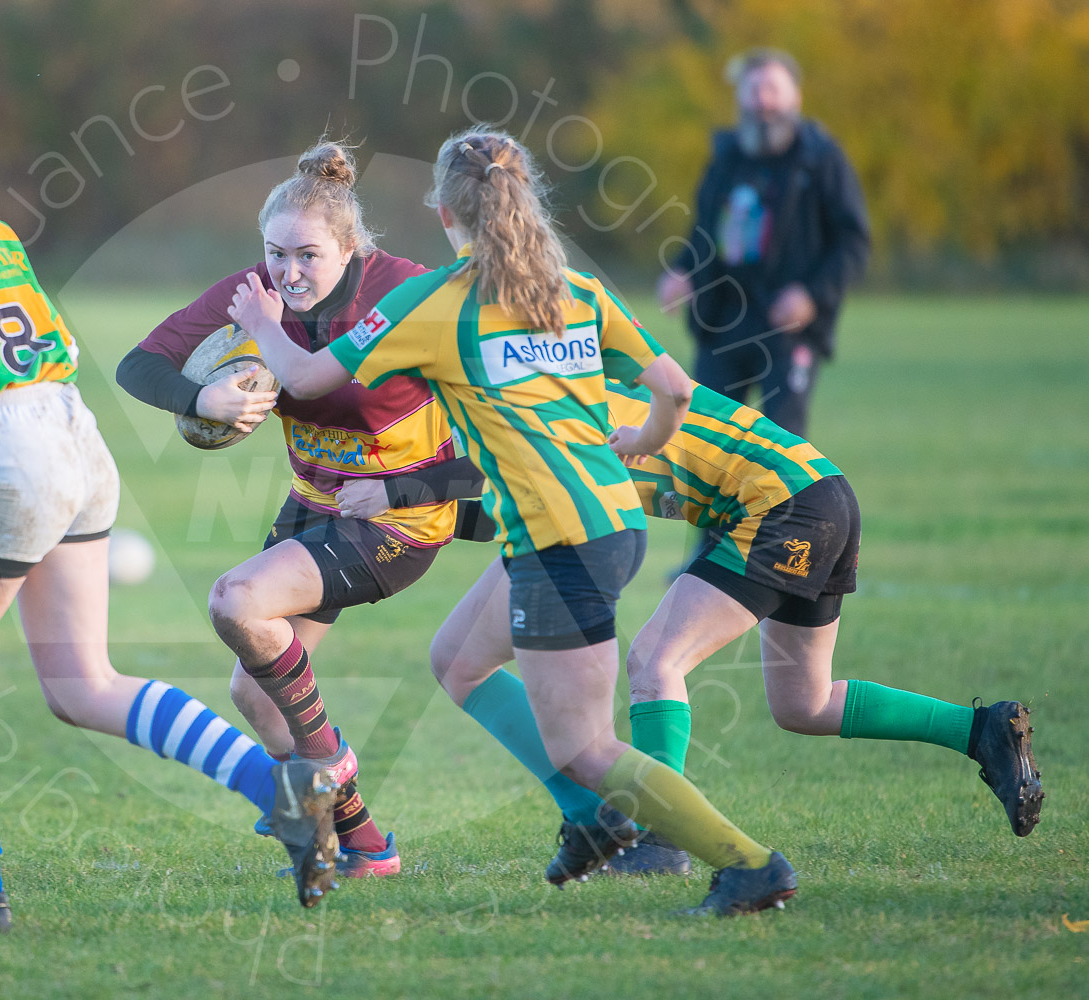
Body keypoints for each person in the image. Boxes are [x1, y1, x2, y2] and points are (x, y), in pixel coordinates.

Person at [0, 88, 339, 930]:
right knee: (83, 683)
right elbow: (24, 358)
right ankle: (283, 786)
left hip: (7, 451)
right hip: (72, 434)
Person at [232, 128, 799, 917]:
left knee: (586, 746)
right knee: (457, 660)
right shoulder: (574, 288)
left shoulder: (431, 301)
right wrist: (640, 441)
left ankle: (747, 864)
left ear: (440, 211)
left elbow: (301, 375)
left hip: (558, 540)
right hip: (612, 522)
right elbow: (673, 387)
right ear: (523, 198)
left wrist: (261, 324)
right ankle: (597, 824)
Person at [431, 379, 1046, 880]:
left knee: (655, 661)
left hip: (784, 505)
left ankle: (657, 836)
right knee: (803, 702)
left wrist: (396, 496)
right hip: (821, 493)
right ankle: (982, 729)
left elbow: (506, 496)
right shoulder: (546, 402)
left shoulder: (535, 416)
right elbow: (499, 507)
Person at [118, 140, 493, 883]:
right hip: (316, 504)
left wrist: (417, 491)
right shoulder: (256, 291)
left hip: (401, 519)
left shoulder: (408, 295)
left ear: (350, 247)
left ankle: (325, 762)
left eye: (308, 257)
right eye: (276, 253)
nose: (289, 273)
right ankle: (368, 848)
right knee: (254, 696)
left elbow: (513, 431)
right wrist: (203, 399)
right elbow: (139, 364)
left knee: (237, 601)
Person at [656, 48, 869, 438]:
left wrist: (811, 294)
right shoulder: (725, 158)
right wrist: (683, 271)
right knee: (706, 439)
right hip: (722, 319)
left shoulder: (821, 160)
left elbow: (853, 242)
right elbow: (705, 232)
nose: (761, 101)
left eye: (771, 89)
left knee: (782, 446)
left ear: (795, 98)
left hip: (788, 328)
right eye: (751, 90)